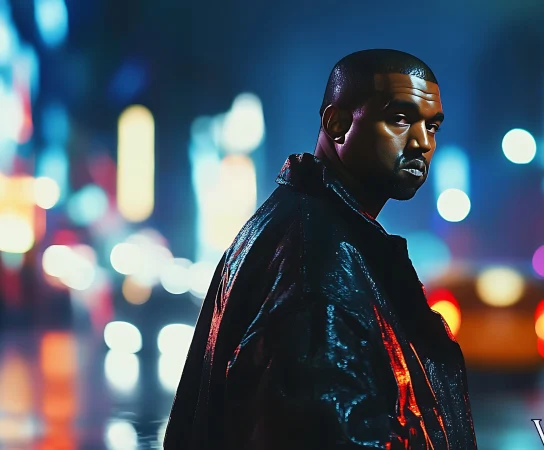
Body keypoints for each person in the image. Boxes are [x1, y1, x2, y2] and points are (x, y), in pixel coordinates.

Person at [164, 49, 477, 449]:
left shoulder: (297, 228)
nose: (422, 143)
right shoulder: (320, 268)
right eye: (400, 119)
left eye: (431, 126)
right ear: (337, 124)